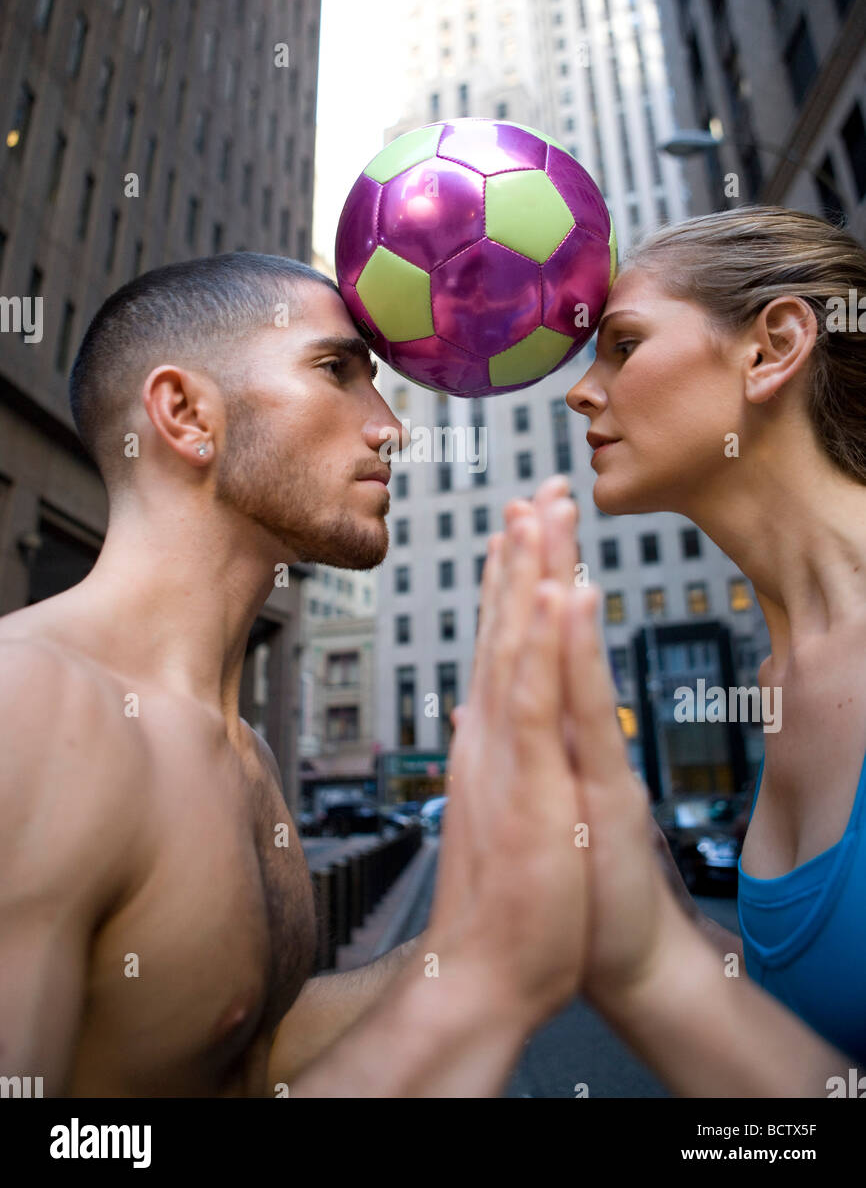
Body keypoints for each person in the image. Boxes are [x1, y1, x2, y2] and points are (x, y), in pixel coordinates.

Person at [0, 251, 592, 1098]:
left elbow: (246, 1054)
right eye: (336, 371)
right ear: (183, 412)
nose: (390, 426)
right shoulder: (35, 708)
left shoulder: (245, 750)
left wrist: (487, 932)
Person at [507, 203, 866, 1092]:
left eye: (624, 346)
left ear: (772, 347)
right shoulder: (782, 672)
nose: (579, 391)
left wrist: (648, 980)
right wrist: (653, 918)